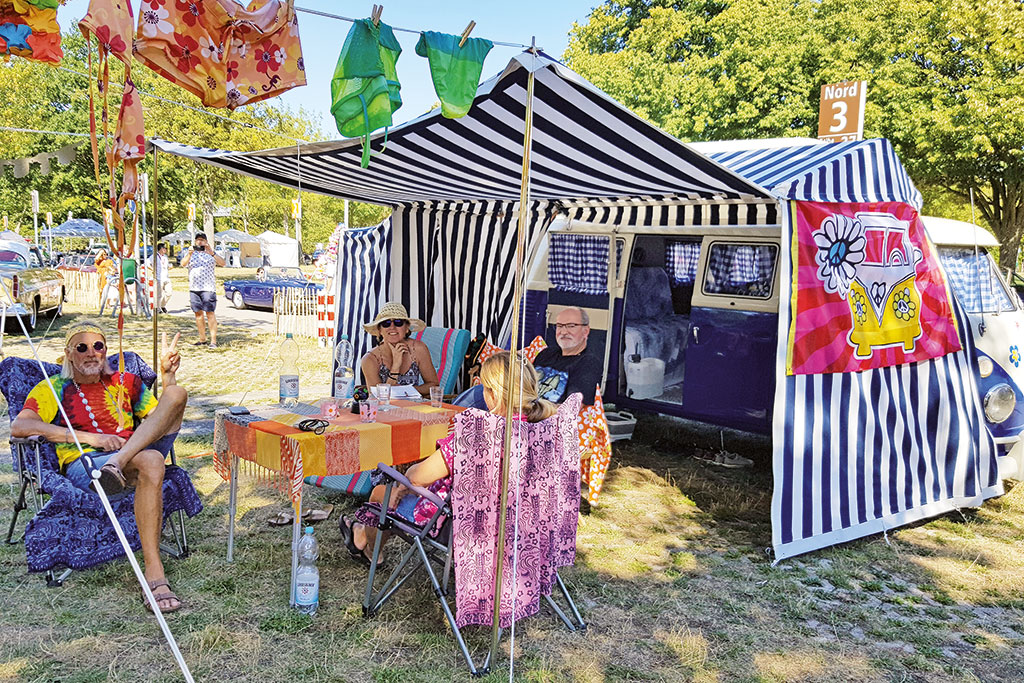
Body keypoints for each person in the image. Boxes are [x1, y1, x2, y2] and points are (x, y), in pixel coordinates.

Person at [11, 323, 188, 613]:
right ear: (69, 354)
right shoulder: (53, 387)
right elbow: (21, 425)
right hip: (88, 464)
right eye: (82, 347)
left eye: (98, 346)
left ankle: (117, 463)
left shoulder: (127, 382)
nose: (91, 353)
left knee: (177, 394)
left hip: (131, 453)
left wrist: (168, 377)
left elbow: (159, 419)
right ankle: (154, 574)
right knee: (152, 461)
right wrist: (90, 438)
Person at [340, 351, 557, 565]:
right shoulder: (545, 430)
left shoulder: (478, 432)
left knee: (382, 493)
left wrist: (402, 484)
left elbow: (416, 477)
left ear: (492, 394)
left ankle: (368, 548)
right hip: (526, 528)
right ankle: (361, 536)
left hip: (466, 529)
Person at [359, 302, 439, 397]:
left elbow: (433, 385)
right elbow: (377, 397)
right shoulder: (370, 359)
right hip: (384, 410)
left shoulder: (418, 349)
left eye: (398, 322)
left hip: (415, 408)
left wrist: (404, 390)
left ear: (407, 328)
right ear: (380, 330)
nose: (392, 327)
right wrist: (396, 365)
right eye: (386, 323)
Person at [533, 306, 602, 406]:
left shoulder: (588, 363)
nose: (564, 332)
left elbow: (572, 408)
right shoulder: (546, 354)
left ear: (585, 331)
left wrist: (534, 413)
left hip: (550, 419)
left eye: (571, 326)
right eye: (560, 326)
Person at [180, 233, 225, 348]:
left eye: (202, 240)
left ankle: (213, 341)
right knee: (198, 314)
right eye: (198, 240)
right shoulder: (192, 254)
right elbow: (183, 264)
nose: (200, 242)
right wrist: (189, 254)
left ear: (206, 241)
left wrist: (212, 252)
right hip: (194, 288)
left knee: (210, 313)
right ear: (195, 242)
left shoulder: (210, 253)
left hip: (208, 288)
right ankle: (202, 339)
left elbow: (223, 263)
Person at [155, 242, 172, 314]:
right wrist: (153, 270)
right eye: (164, 248)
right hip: (159, 278)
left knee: (169, 293)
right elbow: (147, 263)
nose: (166, 250)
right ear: (161, 249)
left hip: (166, 277)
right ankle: (157, 308)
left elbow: (166, 266)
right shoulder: (154, 256)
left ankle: (162, 305)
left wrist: (169, 267)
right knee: (159, 294)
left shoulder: (165, 257)